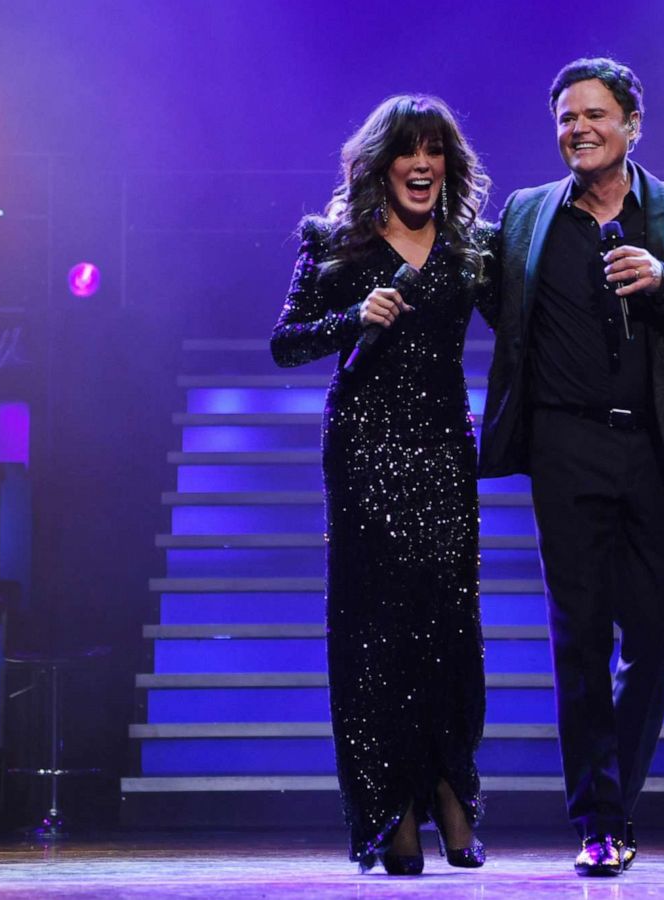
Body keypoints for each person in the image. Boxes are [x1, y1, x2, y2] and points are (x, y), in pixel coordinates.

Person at [477, 58, 664, 876]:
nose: (579, 130)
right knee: (578, 639)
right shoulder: (528, 215)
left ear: (633, 124)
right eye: (566, 118)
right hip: (564, 448)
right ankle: (600, 818)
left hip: (656, 449)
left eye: (595, 115)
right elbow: (488, 295)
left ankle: (617, 797)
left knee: (657, 640)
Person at [269, 94, 492, 876]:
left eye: (436, 150)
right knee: (376, 640)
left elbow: (535, 322)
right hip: (363, 456)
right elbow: (284, 345)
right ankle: (389, 811)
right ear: (382, 163)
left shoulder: (471, 252)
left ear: (449, 166)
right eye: (409, 150)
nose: (423, 163)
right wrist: (353, 319)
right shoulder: (337, 246)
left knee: (447, 629)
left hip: (442, 455)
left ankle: (449, 793)